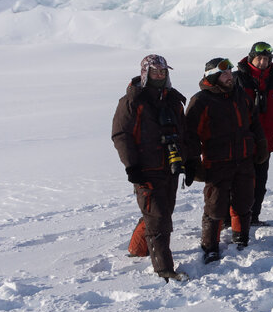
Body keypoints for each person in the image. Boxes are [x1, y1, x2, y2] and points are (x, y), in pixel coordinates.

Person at [111, 54, 187, 282]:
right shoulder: (132, 101)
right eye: (155, 71)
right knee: (159, 219)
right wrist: (131, 166)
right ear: (145, 73)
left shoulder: (173, 99)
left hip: (170, 167)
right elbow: (121, 135)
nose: (160, 75)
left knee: (162, 214)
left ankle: (137, 248)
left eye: (163, 71)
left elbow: (184, 133)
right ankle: (164, 270)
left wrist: (189, 160)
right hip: (146, 169)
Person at [184, 57, 261, 263]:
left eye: (230, 73)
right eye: (225, 74)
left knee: (244, 201)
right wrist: (193, 162)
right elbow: (189, 135)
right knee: (215, 206)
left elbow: (254, 123)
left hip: (244, 159)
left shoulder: (242, 96)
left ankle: (241, 236)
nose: (230, 77)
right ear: (214, 77)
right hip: (217, 163)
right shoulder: (201, 101)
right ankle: (210, 245)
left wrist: (260, 145)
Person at [232, 41, 273, 228]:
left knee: (259, 182)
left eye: (266, 59)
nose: (262, 62)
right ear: (251, 58)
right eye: (259, 58)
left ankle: (253, 216)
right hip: (239, 142)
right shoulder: (236, 80)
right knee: (238, 183)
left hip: (265, 142)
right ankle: (231, 220)